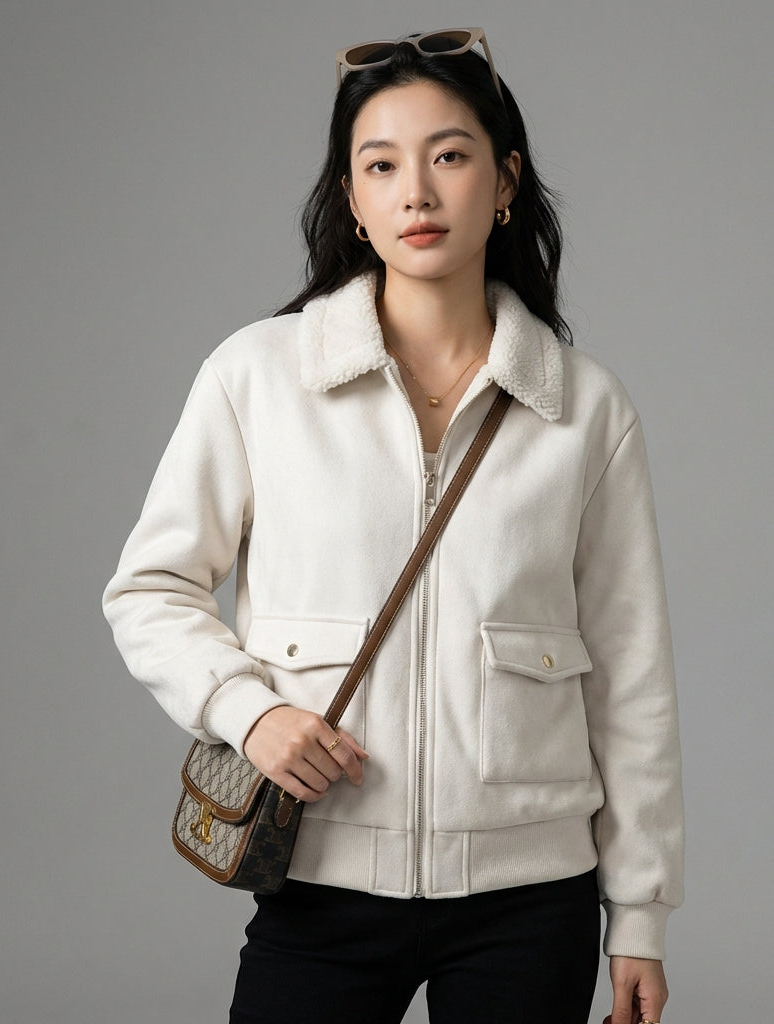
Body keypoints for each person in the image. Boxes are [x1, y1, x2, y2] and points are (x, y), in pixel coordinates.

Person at [103, 28, 683, 1024]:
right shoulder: (257, 377)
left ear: (504, 183)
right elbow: (150, 591)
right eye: (381, 165)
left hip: (529, 896)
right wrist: (250, 712)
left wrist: (639, 913)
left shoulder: (585, 407)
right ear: (352, 198)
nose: (416, 191)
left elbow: (632, 676)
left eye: (449, 156)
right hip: (321, 881)